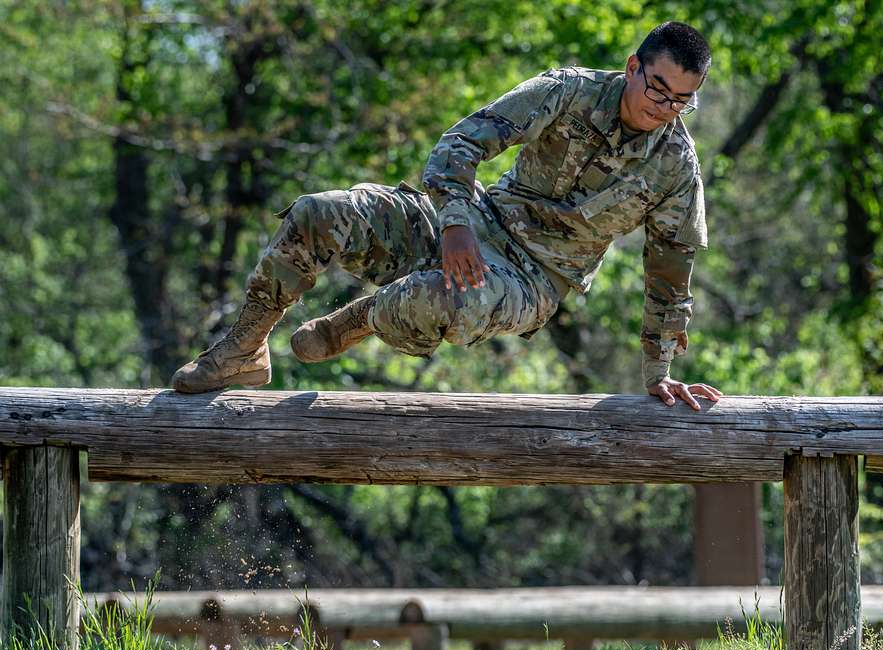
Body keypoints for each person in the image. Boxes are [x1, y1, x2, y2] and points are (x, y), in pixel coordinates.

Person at [172, 21, 723, 410]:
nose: (665, 108)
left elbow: (670, 278)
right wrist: (456, 223)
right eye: (658, 88)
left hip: (533, 279)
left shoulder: (675, 167)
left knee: (441, 299)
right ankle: (243, 348)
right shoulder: (567, 92)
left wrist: (661, 374)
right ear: (633, 68)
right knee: (319, 213)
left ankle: (365, 318)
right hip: (476, 219)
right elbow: (460, 144)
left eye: (682, 101)